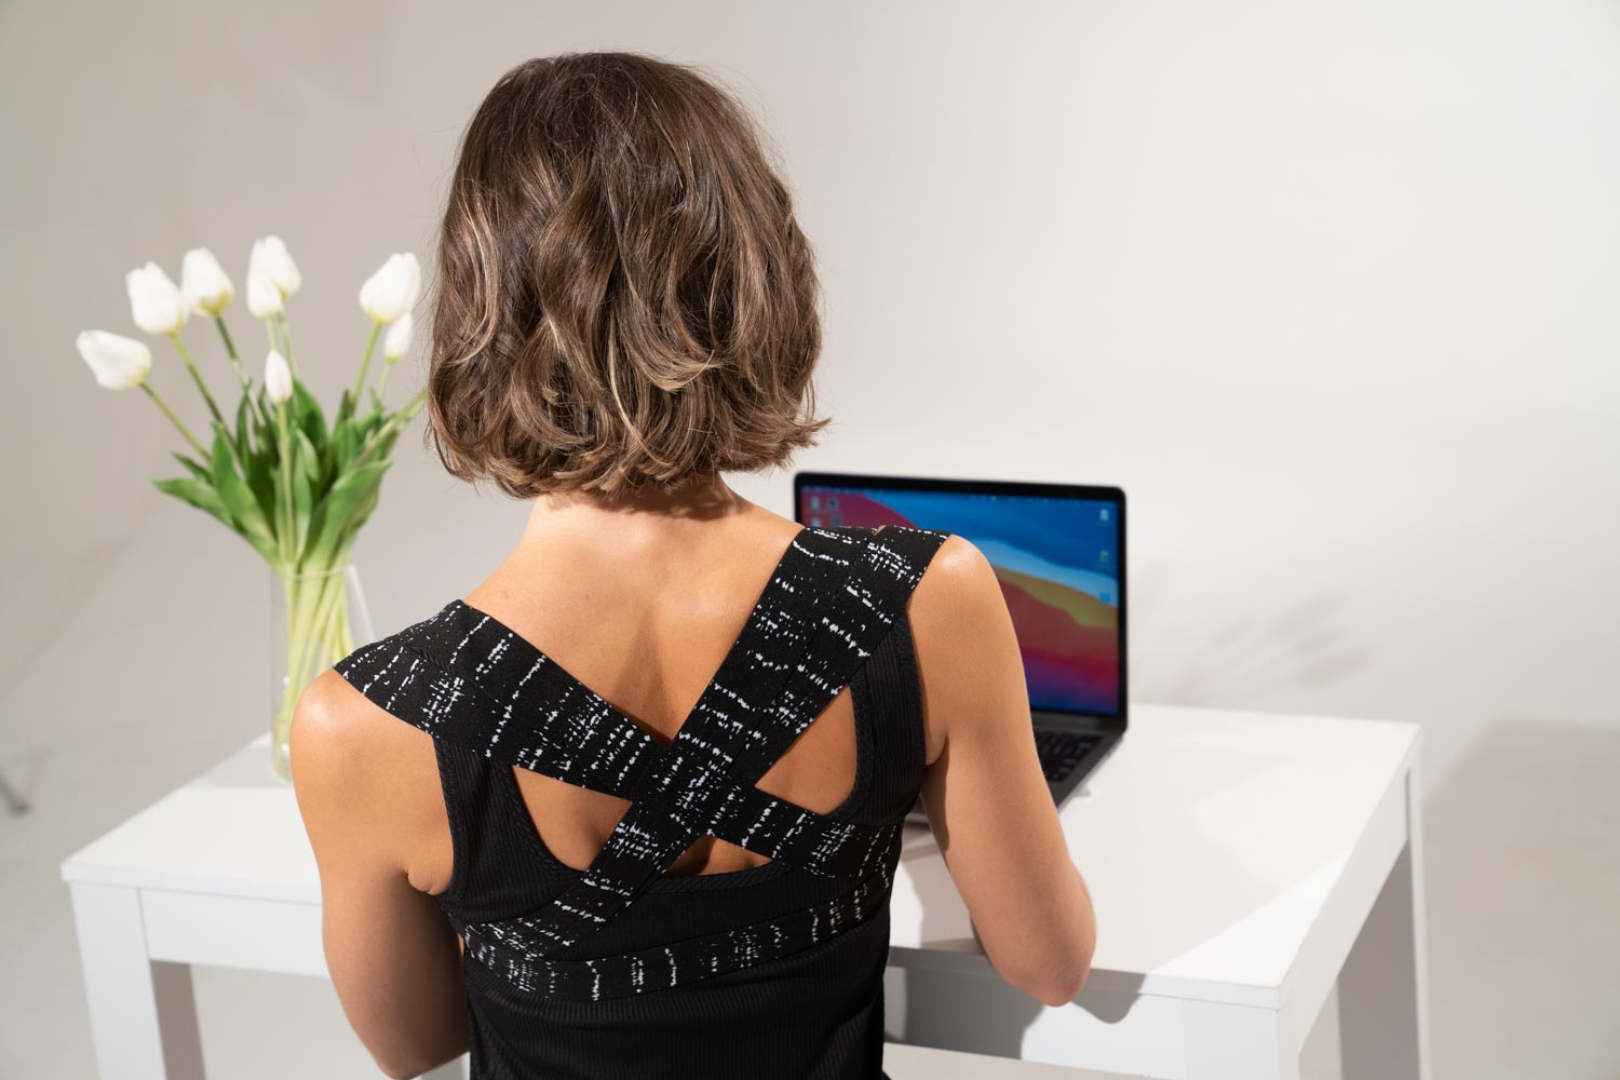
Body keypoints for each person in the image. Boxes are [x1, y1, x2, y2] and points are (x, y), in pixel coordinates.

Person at [289, 50, 1095, 1080]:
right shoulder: (927, 601)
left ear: (481, 311)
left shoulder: (365, 725)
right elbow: (1050, 963)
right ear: (753, 282)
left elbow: (414, 1044)